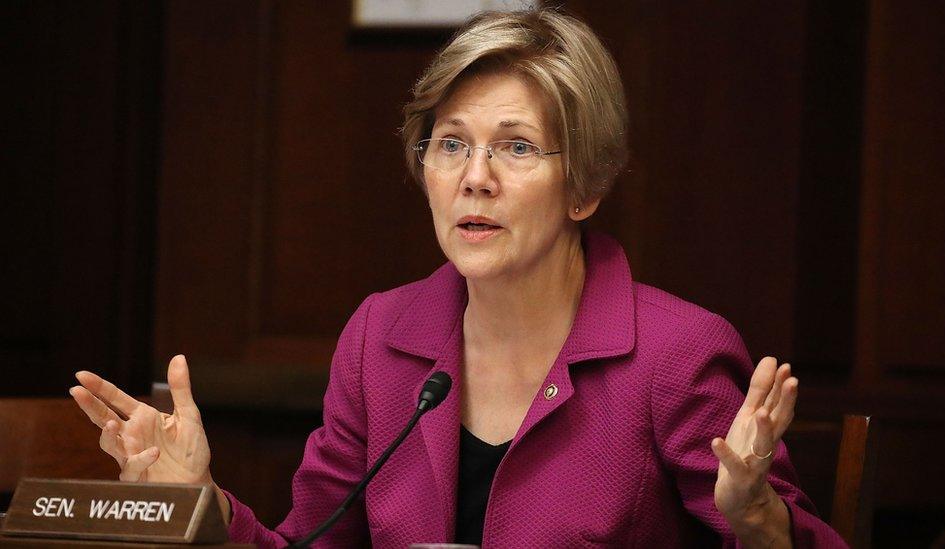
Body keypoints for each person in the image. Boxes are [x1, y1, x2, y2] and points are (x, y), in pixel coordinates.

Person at [70, 8, 846, 548]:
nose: (474, 177)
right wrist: (198, 502)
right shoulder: (379, 336)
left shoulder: (679, 354)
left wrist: (758, 518)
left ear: (585, 185)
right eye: (449, 145)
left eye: (515, 148)